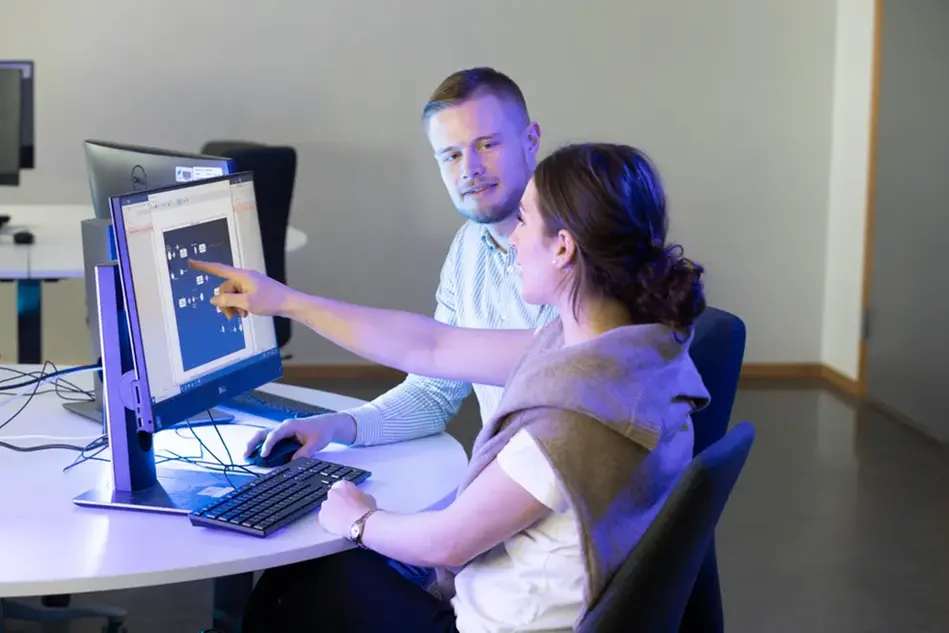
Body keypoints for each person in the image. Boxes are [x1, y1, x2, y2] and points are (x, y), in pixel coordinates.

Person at [190, 141, 711, 632]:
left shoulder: (575, 418)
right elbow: (432, 347)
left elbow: (449, 541)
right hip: (541, 595)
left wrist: (361, 519)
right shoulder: (629, 353)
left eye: (524, 219)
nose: (513, 238)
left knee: (298, 587)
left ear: (562, 248)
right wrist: (285, 301)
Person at [254, 66, 556, 461]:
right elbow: (434, 389)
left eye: (486, 145)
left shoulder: (580, 249)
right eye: (451, 155)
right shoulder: (468, 245)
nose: (470, 169)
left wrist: (287, 302)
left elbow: (434, 349)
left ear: (530, 140)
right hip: (507, 476)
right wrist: (337, 426)